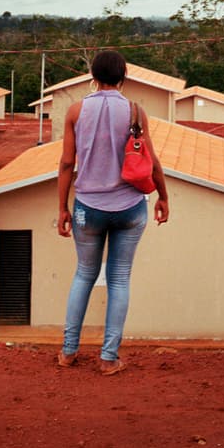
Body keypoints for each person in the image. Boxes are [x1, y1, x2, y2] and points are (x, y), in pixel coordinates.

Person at [57, 50, 169, 373]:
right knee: (119, 279)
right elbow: (152, 161)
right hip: (130, 208)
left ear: (93, 76)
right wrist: (163, 196)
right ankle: (108, 358)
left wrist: (63, 207)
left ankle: (68, 351)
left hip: (87, 209)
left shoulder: (76, 111)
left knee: (84, 274)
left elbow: (67, 163)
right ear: (123, 77)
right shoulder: (135, 112)